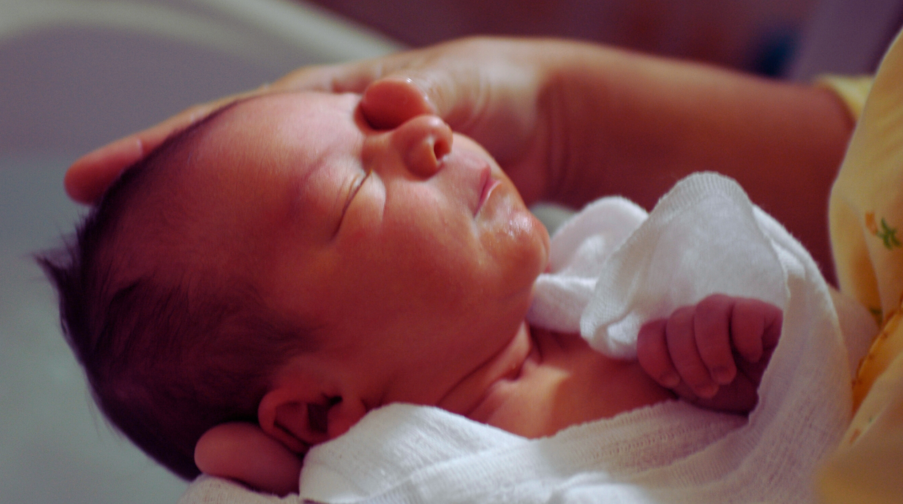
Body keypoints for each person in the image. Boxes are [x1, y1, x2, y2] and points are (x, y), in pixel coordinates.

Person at [42, 88, 786, 497]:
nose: (427, 127)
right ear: (320, 410)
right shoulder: (405, 487)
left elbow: (819, 404)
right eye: (356, 186)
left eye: (377, 113)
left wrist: (750, 371)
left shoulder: (618, 286)